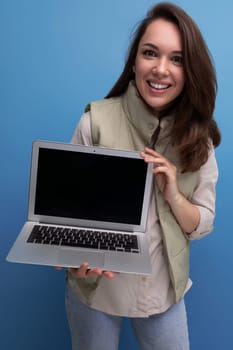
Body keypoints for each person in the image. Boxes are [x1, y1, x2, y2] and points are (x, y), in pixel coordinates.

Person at [64, 2, 221, 349]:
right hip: (96, 291)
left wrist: (174, 195)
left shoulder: (200, 139)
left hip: (161, 290)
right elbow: (68, 217)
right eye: (150, 53)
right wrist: (73, 264)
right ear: (134, 61)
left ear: (190, 69)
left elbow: (203, 223)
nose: (161, 69)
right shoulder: (95, 122)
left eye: (177, 59)